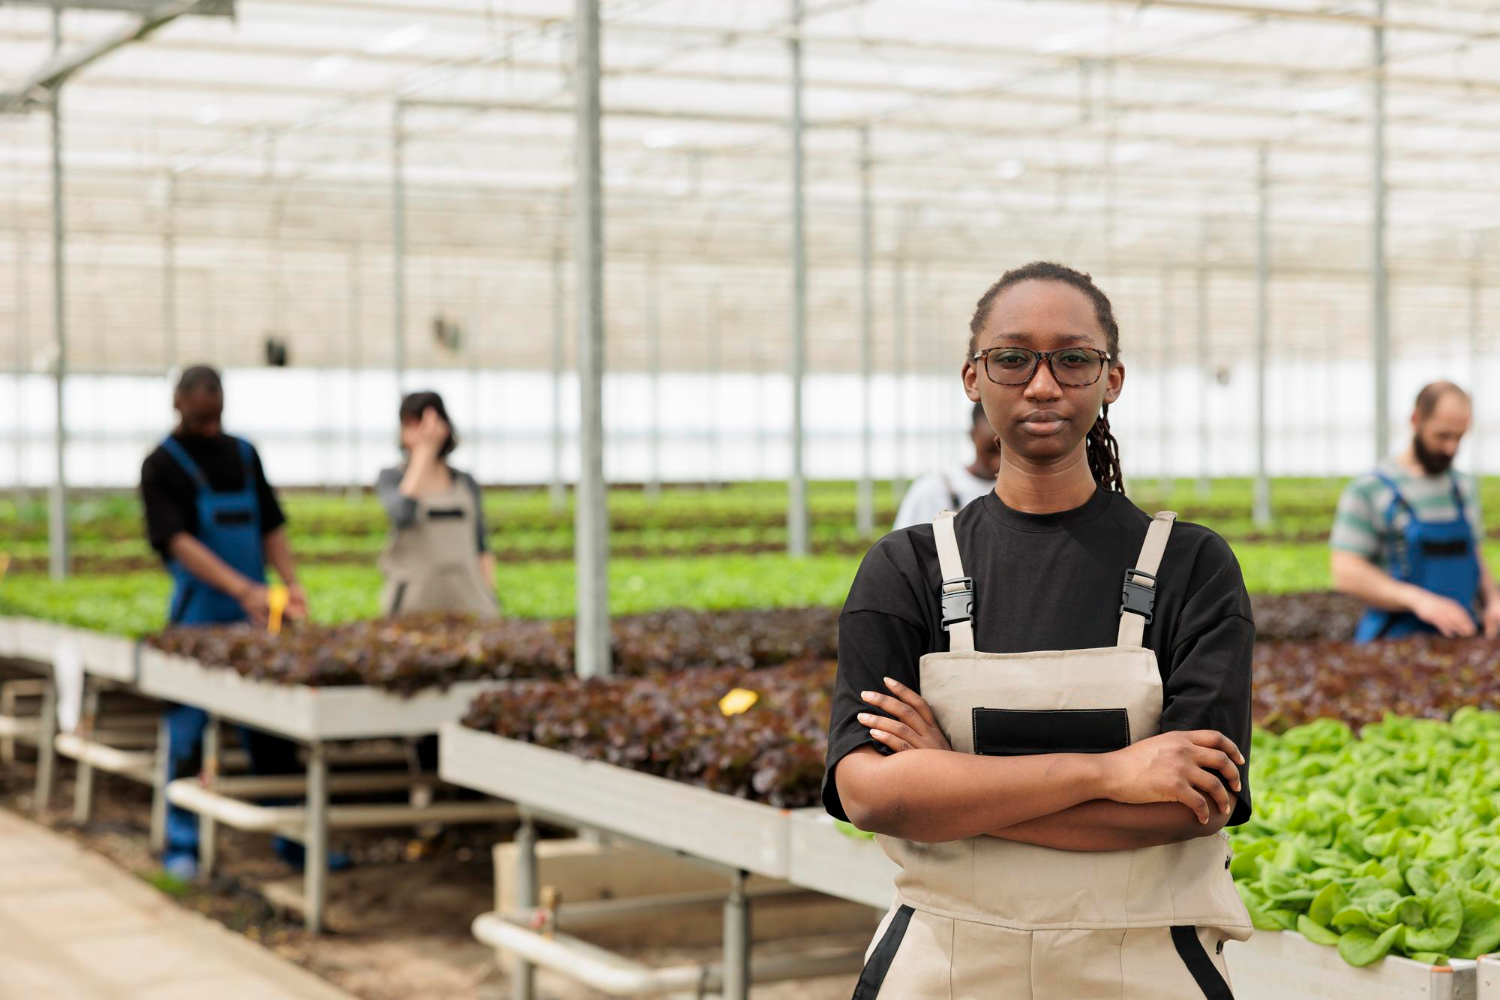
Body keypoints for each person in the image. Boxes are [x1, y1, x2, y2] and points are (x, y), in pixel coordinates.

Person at [824, 262, 1254, 997]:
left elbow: (1192, 804)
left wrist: (951, 789)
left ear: (1111, 378)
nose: (1043, 384)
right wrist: (1111, 774)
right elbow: (869, 793)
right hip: (945, 963)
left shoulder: (1190, 565)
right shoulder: (908, 568)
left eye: (1074, 359)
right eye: (1013, 358)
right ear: (973, 377)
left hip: (1145, 961)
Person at [140, 365, 329, 879]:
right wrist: (242, 588)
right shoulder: (162, 465)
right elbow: (177, 541)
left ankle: (293, 842)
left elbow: (271, 525)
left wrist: (289, 584)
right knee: (187, 731)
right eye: (200, 415)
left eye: (215, 413)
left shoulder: (243, 454)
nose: (208, 424)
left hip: (257, 617)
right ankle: (182, 844)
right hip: (199, 616)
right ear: (178, 403)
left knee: (271, 731)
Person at [1332, 381, 1500, 641]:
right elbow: (1345, 572)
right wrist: (1419, 601)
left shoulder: (1462, 487)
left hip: (1459, 638)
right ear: (1416, 419)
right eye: (1442, 436)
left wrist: (1492, 599)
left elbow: (1474, 553)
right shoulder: (1370, 489)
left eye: (1459, 437)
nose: (1451, 448)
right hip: (1393, 641)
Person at [376, 391, 498, 619]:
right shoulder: (391, 477)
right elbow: (402, 513)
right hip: (412, 601)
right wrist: (424, 451)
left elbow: (481, 545)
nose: (423, 431)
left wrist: (491, 595)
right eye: (413, 424)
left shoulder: (464, 482)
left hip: (468, 598)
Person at [891, 401, 1001, 530]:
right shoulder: (932, 490)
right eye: (992, 450)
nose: (1001, 461)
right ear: (972, 435)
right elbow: (906, 547)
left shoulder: (1025, 493)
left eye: (1010, 450)